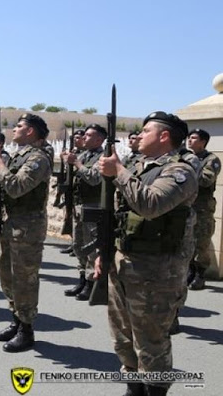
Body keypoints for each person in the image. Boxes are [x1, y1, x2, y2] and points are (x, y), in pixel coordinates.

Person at [96, 111, 197, 396]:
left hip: (157, 272)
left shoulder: (180, 170)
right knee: (123, 338)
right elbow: (117, 216)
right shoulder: (140, 167)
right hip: (124, 263)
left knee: (151, 342)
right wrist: (103, 253)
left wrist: (119, 171)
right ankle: (134, 388)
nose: (138, 136)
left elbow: (151, 205)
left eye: (145, 130)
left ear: (164, 136)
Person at [0, 114, 52, 352]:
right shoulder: (20, 155)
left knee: (24, 279)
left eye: (20, 126)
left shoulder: (38, 158)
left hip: (28, 225)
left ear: (32, 131)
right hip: (11, 221)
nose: (14, 129)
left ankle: (27, 328)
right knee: (8, 275)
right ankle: (16, 319)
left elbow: (16, 187)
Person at [61, 124, 105, 300]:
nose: (84, 138)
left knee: (91, 247)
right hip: (79, 206)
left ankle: (91, 283)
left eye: (88, 136)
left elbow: (94, 179)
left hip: (94, 206)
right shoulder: (84, 155)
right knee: (79, 245)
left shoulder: (103, 157)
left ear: (99, 139)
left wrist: (77, 163)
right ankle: (82, 278)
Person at [186, 128, 221, 290]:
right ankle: (189, 271)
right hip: (186, 206)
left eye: (194, 138)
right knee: (186, 240)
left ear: (203, 142)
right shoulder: (185, 157)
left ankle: (200, 274)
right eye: (189, 137)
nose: (189, 140)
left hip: (202, 208)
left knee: (201, 242)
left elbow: (206, 180)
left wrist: (191, 166)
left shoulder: (211, 159)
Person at [60, 129, 84, 255]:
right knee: (69, 216)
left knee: (77, 220)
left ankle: (78, 245)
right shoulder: (73, 152)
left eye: (79, 137)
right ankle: (73, 243)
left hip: (78, 190)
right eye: (74, 138)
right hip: (69, 188)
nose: (76, 140)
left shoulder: (84, 154)